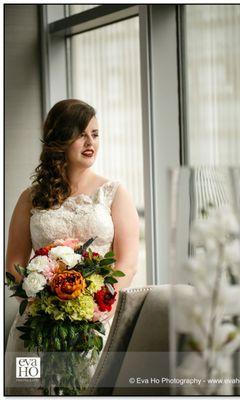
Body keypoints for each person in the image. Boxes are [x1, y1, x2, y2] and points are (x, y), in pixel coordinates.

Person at [5, 99, 140, 394]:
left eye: (95, 133)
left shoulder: (114, 193)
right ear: (60, 138)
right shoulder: (30, 198)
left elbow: (127, 263)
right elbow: (14, 262)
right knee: (31, 389)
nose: (90, 142)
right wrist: (42, 303)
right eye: (81, 134)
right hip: (39, 323)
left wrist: (94, 304)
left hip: (99, 322)